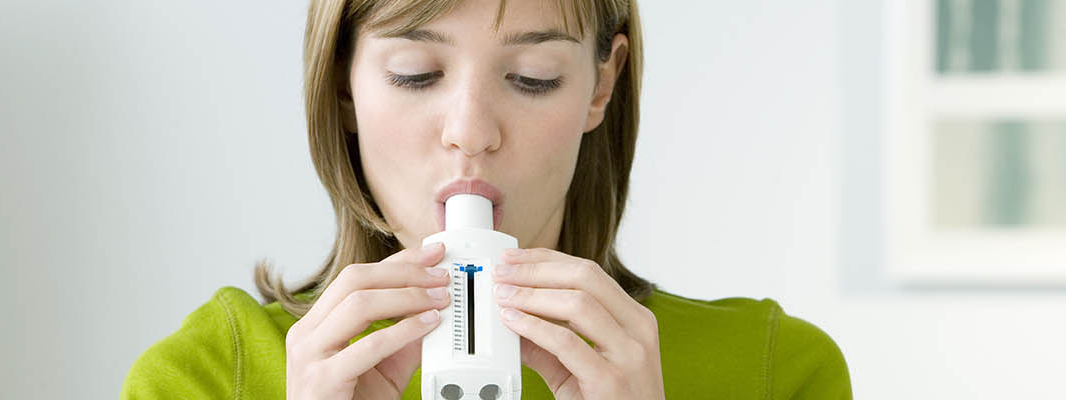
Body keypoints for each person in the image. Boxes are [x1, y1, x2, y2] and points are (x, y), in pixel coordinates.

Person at [122, 0, 852, 398]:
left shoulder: (774, 374)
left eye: (533, 77)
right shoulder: (209, 377)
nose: (470, 133)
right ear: (344, 81)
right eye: (414, 73)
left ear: (601, 84)